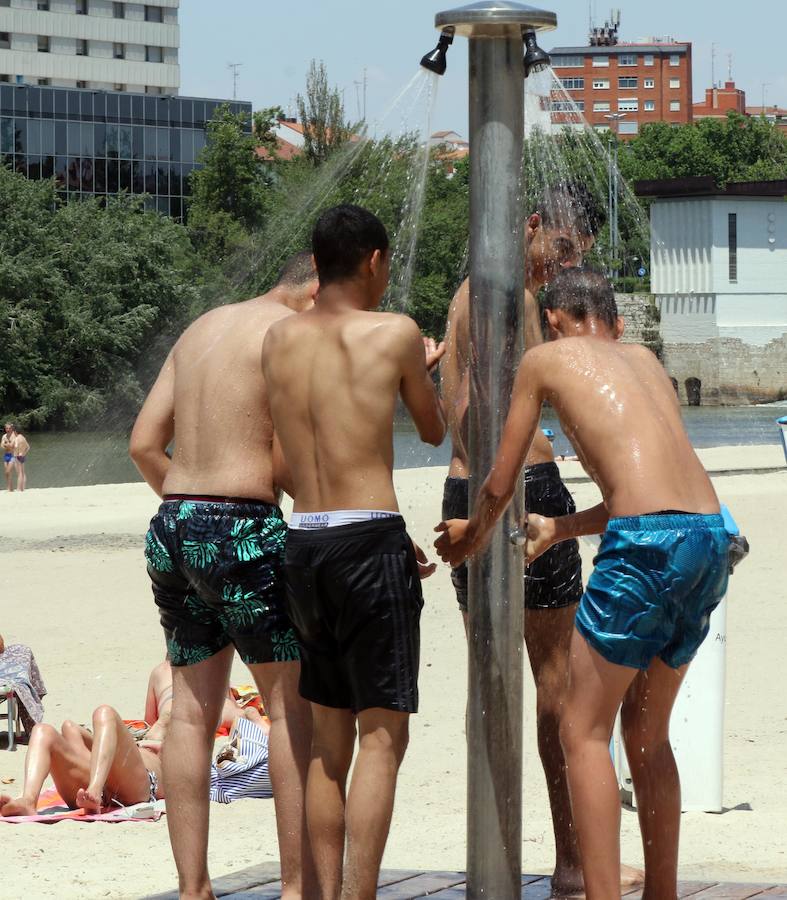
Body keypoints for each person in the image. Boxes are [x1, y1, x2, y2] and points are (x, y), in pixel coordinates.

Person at [435, 267, 729, 900]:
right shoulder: (645, 360)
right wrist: (563, 526)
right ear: (615, 322)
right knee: (647, 736)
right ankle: (663, 895)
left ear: (555, 321)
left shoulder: (544, 359)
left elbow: (497, 481)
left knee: (581, 730)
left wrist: (471, 537)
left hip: (648, 544)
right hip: (708, 536)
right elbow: (648, 496)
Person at [262, 204, 446, 900]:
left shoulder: (277, 340)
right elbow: (433, 430)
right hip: (368, 539)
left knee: (326, 745)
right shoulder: (395, 332)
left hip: (304, 541)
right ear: (372, 260)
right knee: (382, 737)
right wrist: (427, 369)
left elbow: (283, 455)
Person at [439, 183, 615, 895]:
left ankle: (495, 858)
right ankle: (572, 864)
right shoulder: (505, 291)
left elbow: (461, 403)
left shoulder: (470, 291)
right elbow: (483, 407)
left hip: (465, 491)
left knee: (490, 682)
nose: (565, 267)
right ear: (534, 224)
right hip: (519, 494)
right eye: (564, 249)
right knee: (556, 684)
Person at [129, 252, 319, 900]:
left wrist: (193, 509)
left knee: (189, 711)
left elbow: (143, 444)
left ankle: (193, 889)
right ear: (316, 289)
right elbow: (286, 462)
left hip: (172, 525)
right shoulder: (286, 335)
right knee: (290, 708)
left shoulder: (202, 327)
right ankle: (297, 889)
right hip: (241, 527)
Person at [0, 704, 164, 817]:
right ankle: (28, 801)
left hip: (139, 787)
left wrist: (153, 744)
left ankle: (94, 790)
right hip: (99, 784)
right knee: (43, 730)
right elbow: (148, 720)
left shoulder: (174, 744)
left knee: (104, 712)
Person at [13, 426, 30, 492]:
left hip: (17, 456)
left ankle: (18, 488)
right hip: (22, 456)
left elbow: (16, 446)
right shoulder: (23, 438)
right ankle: (23, 488)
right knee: (23, 473)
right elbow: (28, 447)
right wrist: (23, 453)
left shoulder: (17, 438)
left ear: (15, 431)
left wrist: (15, 451)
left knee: (19, 473)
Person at [2, 423, 16, 492]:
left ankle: (10, 488)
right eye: (6, 428)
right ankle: (10, 488)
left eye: (9, 428)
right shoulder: (4, 436)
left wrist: (6, 444)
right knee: (6, 473)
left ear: (12, 428)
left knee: (8, 471)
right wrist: (7, 444)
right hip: (6, 456)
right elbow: (1, 446)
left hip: (12, 456)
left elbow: (11, 446)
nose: (8, 430)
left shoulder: (14, 436)